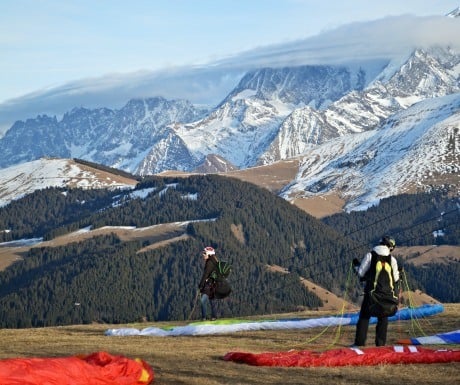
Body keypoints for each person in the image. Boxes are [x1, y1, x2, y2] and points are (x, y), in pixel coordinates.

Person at [353, 236, 400, 347]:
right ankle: (380, 344)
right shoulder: (392, 260)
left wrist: (355, 265)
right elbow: (396, 279)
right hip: (387, 295)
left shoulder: (370, 255)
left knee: (364, 316)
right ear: (390, 247)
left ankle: (359, 343)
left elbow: (360, 273)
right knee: (383, 317)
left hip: (371, 294)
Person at [198, 246, 219, 321]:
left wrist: (201, 285)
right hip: (213, 284)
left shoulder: (209, 263)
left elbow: (205, 275)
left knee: (203, 300)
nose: (203, 255)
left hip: (209, 284)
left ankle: (204, 318)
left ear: (209, 254)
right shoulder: (213, 261)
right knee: (212, 300)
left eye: (204, 253)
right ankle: (214, 317)